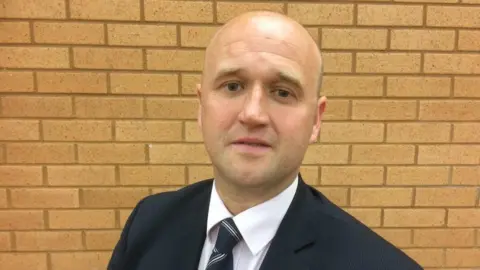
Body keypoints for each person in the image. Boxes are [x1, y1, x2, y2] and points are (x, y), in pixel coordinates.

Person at [107, 11, 423, 270]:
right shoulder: (148, 223)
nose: (253, 114)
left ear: (316, 120)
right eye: (232, 86)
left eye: (282, 92)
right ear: (201, 107)